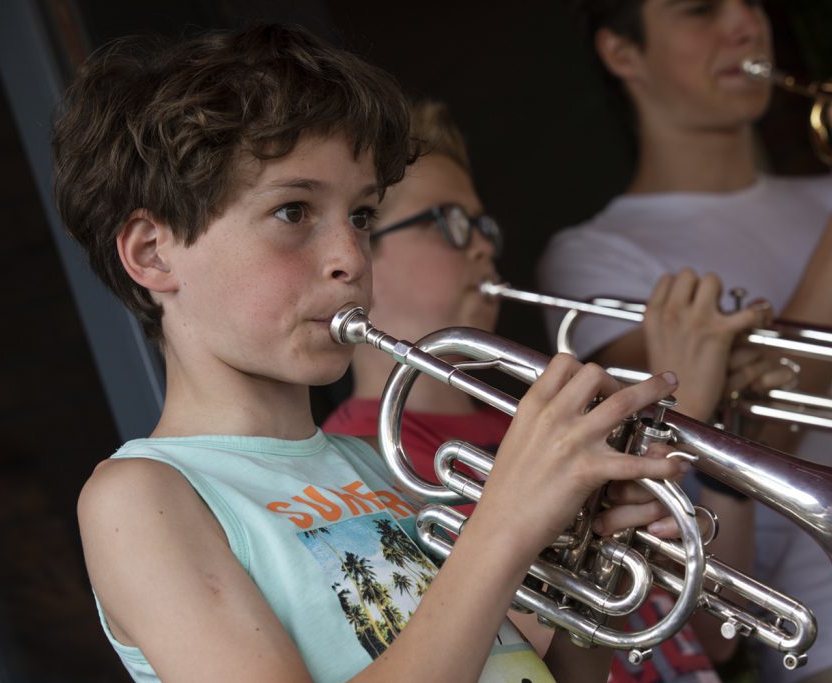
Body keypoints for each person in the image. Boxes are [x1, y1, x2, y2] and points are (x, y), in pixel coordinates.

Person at [54, 23, 699, 683]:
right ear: (152, 253)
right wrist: (505, 524)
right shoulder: (141, 497)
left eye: (360, 217)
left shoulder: (373, 463)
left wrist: (573, 555)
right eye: (294, 211)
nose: (349, 258)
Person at [538, 1, 832, 682]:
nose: (744, 25)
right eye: (701, 10)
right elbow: (734, 446)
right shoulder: (595, 255)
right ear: (622, 52)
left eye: (750, 3)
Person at [324, 99, 783, 683]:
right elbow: (518, 644)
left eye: (483, 225)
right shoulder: (367, 457)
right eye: (449, 223)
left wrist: (719, 432)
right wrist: (677, 405)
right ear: (363, 254)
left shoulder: (544, 419)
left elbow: (717, 637)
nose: (483, 247)